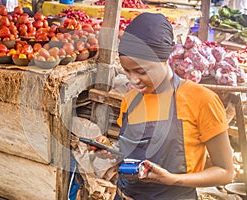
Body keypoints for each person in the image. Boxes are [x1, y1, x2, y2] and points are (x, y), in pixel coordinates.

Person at [95, 12, 234, 200]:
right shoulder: (130, 100)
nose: (134, 80)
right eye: (127, 71)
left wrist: (172, 179)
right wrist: (109, 151)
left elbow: (225, 172)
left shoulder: (202, 100)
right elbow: (132, 154)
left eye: (141, 71)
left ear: (164, 59)